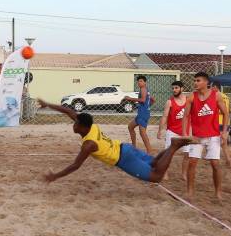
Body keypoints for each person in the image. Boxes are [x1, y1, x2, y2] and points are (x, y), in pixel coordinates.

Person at [37, 99, 197, 184]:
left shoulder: (89, 144)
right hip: (124, 147)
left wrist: (55, 176)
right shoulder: (91, 126)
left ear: (82, 126)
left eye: (75, 123)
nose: (73, 124)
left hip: (123, 159)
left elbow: (75, 165)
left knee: (156, 177)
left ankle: (174, 145)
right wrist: (47, 105)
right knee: (155, 162)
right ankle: (175, 145)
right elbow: (68, 111)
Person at [182, 73, 230, 200]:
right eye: (195, 80)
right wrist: (185, 134)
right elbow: (185, 116)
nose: (195, 83)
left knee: (215, 164)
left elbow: (226, 113)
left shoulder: (216, 95)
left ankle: (218, 192)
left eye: (198, 80)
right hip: (197, 136)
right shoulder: (192, 96)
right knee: (192, 163)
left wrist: (224, 131)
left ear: (206, 82)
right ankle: (190, 191)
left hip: (213, 135)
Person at [157, 80, 190, 181]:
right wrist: (160, 130)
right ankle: (165, 173)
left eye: (176, 88)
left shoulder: (189, 100)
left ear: (182, 88)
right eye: (173, 88)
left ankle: (184, 173)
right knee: (168, 153)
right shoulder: (169, 102)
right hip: (172, 131)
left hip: (185, 131)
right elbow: (164, 116)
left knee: (187, 154)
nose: (174, 90)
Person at [124, 75, 157, 154]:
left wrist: (130, 98)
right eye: (138, 81)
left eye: (141, 81)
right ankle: (134, 146)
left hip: (143, 114)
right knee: (130, 127)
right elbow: (153, 100)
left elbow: (142, 100)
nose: (139, 83)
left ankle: (149, 151)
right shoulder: (146, 90)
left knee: (142, 133)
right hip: (143, 113)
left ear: (145, 82)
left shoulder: (143, 89)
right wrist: (147, 106)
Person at [210, 80, 231, 167]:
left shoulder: (216, 96)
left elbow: (217, 110)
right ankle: (228, 159)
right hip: (226, 122)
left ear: (215, 87)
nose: (211, 89)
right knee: (224, 143)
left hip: (218, 121)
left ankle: (216, 159)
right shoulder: (226, 97)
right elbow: (229, 111)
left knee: (215, 142)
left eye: (212, 87)